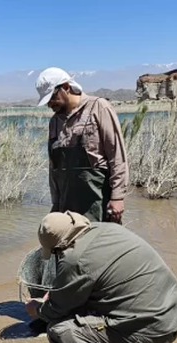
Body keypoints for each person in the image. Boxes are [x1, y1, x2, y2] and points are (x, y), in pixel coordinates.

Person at [24, 211, 177, 343]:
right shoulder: (108, 229)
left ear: (58, 247)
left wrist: (37, 309)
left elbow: (56, 311)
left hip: (153, 333)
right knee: (94, 307)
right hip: (174, 313)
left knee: (60, 333)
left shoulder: (74, 260)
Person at [35, 67, 129, 225]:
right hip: (66, 206)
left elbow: (117, 155)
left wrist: (117, 197)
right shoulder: (54, 122)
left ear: (65, 87)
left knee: (101, 247)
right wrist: (56, 203)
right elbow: (54, 168)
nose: (50, 104)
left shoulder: (99, 108)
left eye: (51, 97)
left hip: (98, 202)